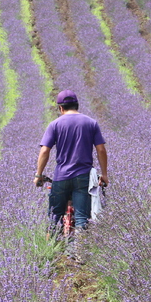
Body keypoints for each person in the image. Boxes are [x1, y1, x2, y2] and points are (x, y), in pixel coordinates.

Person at [34, 90, 108, 233]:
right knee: (81, 217)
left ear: (60, 108)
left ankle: (54, 248)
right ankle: (80, 252)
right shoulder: (91, 123)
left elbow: (44, 151)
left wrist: (38, 175)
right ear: (77, 105)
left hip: (61, 176)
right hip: (83, 176)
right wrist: (104, 174)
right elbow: (101, 150)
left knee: (54, 216)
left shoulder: (54, 125)